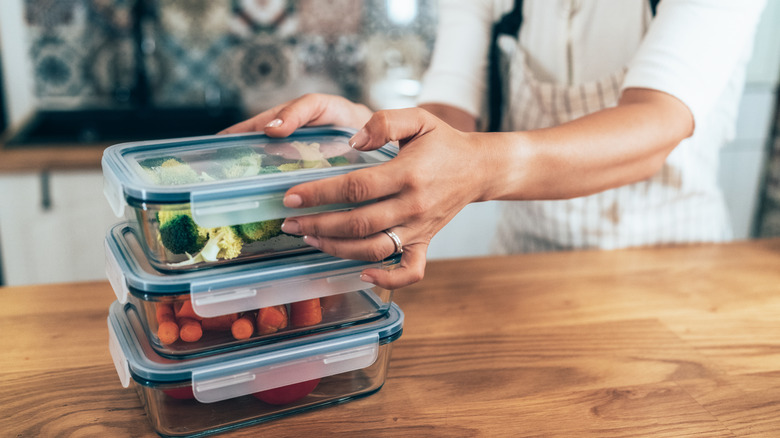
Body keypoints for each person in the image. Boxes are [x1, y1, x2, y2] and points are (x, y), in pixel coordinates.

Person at [221, 0, 766, 290]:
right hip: (524, 272)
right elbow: (446, 116)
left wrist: (480, 167)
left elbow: (655, 125)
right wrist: (369, 133)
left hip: (682, 269)